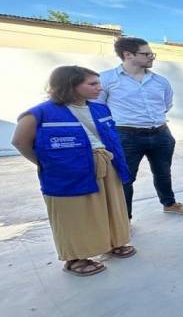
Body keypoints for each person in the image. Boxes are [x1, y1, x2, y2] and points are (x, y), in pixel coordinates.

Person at [11, 66, 136, 277]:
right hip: (68, 173)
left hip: (106, 166)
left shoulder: (100, 109)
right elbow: (20, 141)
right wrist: (45, 164)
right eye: (92, 84)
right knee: (75, 214)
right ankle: (75, 258)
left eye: (98, 82)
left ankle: (114, 242)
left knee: (110, 208)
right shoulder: (40, 113)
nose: (99, 87)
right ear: (71, 85)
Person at [98, 37, 183, 219]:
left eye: (152, 53)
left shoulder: (160, 81)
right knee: (125, 178)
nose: (152, 57)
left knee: (163, 172)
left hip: (161, 133)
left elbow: (166, 104)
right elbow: (98, 109)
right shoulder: (106, 79)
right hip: (126, 135)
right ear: (127, 55)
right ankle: (124, 219)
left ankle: (169, 204)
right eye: (146, 53)